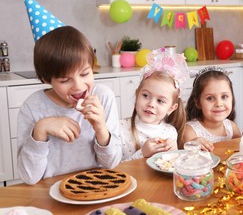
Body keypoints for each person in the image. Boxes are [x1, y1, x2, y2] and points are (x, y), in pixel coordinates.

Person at [17, 26, 122, 185]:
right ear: (47, 79)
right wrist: (40, 129)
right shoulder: (32, 107)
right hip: (52, 193)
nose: (78, 86)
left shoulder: (103, 97)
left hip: (98, 186)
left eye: (85, 73)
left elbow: (112, 163)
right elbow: (29, 177)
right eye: (65, 80)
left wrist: (101, 128)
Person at [120, 48, 189, 161]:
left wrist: (175, 154)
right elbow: (115, 169)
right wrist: (142, 153)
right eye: (146, 96)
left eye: (160, 101)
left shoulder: (170, 133)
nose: (151, 104)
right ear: (137, 94)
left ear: (171, 108)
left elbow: (170, 167)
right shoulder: (121, 129)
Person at [182, 66, 241, 152]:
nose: (219, 104)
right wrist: (192, 146)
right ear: (198, 103)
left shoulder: (232, 128)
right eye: (210, 98)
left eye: (224, 97)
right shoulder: (190, 131)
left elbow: (240, 152)